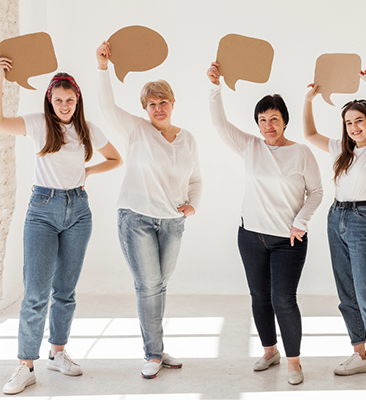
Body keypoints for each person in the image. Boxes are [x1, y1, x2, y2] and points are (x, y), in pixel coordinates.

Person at [0, 58, 122, 395]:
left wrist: (89, 173)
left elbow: (115, 159)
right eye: (58, 100)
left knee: (65, 291)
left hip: (79, 212)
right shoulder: (38, 124)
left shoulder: (87, 129)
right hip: (42, 210)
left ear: (77, 100)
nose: (64, 106)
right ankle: (26, 365)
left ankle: (57, 352)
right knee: (36, 293)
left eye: (70, 100)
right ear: (49, 101)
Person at [207, 62, 323, 385]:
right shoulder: (250, 146)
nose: (268, 125)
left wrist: (301, 222)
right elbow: (219, 123)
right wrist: (215, 87)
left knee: (283, 299)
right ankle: (270, 350)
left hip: (288, 240)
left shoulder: (301, 153)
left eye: (273, 118)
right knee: (259, 297)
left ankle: (294, 362)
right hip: (251, 236)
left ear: (284, 120)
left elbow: (316, 191)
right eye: (262, 120)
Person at [96, 41, 202, 379]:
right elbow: (106, 105)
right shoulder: (137, 131)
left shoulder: (187, 138)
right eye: (152, 104)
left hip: (173, 223)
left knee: (160, 285)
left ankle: (157, 347)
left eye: (163, 102)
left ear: (173, 104)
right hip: (136, 218)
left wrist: (192, 206)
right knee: (148, 285)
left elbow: (196, 178)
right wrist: (102, 68)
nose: (158, 108)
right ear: (145, 108)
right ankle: (153, 353)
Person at [303, 68, 366, 386]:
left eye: (359, 120)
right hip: (336, 218)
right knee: (347, 294)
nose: (354, 127)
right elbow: (309, 134)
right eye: (348, 123)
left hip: (364, 221)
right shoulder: (342, 152)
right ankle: (360, 355)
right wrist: (308, 100)